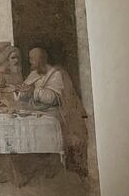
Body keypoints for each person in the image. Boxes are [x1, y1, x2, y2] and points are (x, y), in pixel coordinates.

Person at [19, 47, 88, 177]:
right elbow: (24, 92)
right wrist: (21, 91)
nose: (30, 61)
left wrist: (34, 90)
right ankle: (34, 164)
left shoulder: (55, 74)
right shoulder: (34, 73)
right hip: (36, 111)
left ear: (41, 59)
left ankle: (53, 164)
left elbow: (53, 98)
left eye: (33, 58)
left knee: (47, 130)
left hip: (53, 112)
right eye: (30, 58)